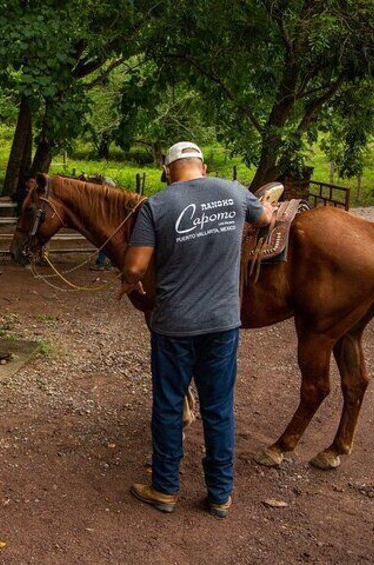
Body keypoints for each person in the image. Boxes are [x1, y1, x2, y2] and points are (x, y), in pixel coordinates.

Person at [120, 142, 273, 518]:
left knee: (170, 405)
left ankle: (165, 490)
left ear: (167, 171)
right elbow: (265, 219)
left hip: (174, 325)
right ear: (203, 166)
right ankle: (220, 494)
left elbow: (137, 267)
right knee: (219, 408)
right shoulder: (234, 192)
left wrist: (127, 280)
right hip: (222, 323)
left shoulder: (155, 206)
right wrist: (265, 206)